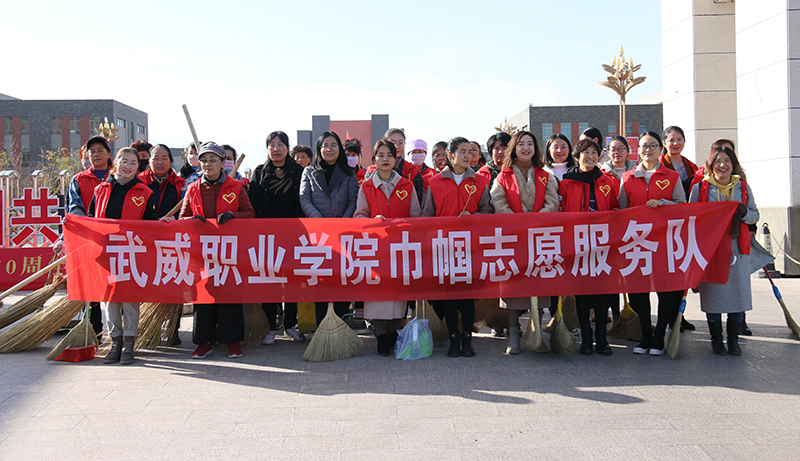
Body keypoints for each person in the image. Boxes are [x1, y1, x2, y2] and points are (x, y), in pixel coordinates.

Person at [179, 142, 255, 359]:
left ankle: (233, 341)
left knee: (230, 294)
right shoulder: (193, 188)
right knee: (203, 297)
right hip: (202, 252)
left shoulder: (235, 186)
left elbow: (250, 214)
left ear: (222, 163)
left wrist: (233, 216)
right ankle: (203, 342)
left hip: (229, 251)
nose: (207, 164)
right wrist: (192, 220)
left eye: (213, 160)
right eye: (203, 160)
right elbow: (182, 218)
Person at [422, 136, 494, 357]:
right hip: (444, 247)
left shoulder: (480, 182)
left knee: (468, 296)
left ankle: (467, 340)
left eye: (469, 151)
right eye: (462, 151)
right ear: (450, 156)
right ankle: (453, 339)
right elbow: (427, 216)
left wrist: (474, 217)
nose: (467, 155)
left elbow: (488, 211)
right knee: (450, 296)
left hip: (470, 247)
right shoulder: (434, 182)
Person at [618, 131, 687, 355]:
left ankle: (659, 339)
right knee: (639, 292)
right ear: (637, 150)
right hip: (637, 243)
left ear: (661, 149)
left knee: (665, 292)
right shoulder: (627, 177)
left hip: (664, 242)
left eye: (653, 146)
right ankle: (645, 337)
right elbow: (621, 210)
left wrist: (664, 203)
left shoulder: (672, 176)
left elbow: (682, 206)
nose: (648, 150)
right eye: (644, 146)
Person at [489, 131, 558, 354]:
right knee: (513, 288)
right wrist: (518, 222)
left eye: (530, 144)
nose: (526, 148)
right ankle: (513, 336)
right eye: (521, 144)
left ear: (535, 149)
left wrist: (536, 221)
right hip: (513, 238)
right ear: (514, 149)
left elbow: (552, 202)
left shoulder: (545, 175)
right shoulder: (503, 176)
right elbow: (498, 201)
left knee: (539, 286)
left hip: (539, 238)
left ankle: (536, 333)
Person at [87, 147, 157, 364]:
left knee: (129, 299)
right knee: (109, 298)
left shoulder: (145, 192)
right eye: (124, 161)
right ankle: (114, 342)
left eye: (133, 163)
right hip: (106, 252)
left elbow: (150, 225)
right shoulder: (101, 189)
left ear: (138, 168)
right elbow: (90, 218)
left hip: (131, 252)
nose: (128, 166)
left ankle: (129, 344)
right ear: (115, 162)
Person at [690, 146, 758, 356]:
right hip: (710, 249)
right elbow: (691, 217)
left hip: (737, 248)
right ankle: (716, 339)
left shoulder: (743, 187)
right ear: (711, 165)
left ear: (733, 164)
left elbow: (755, 214)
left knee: (738, 295)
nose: (722, 165)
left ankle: (734, 339)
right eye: (717, 161)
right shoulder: (700, 188)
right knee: (713, 295)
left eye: (727, 160)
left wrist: (744, 214)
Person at [354, 139, 421, 355]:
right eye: (380, 155)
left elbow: (416, 217)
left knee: (398, 293)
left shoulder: (407, 186)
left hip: (401, 248)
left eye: (389, 155)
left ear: (396, 159)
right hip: (376, 249)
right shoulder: (366, 187)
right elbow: (359, 215)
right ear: (374, 159)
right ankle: (381, 336)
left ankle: (393, 333)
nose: (385, 159)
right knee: (377, 294)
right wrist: (372, 221)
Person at [559, 139, 619, 355]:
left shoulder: (607, 181)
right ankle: (586, 336)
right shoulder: (566, 183)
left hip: (603, 245)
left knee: (602, 292)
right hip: (577, 245)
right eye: (586, 153)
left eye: (595, 152)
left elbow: (615, 208)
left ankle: (601, 336)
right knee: (582, 293)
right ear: (577, 157)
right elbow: (559, 213)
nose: (591, 156)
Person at [248, 131, 306, 344]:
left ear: (287, 148)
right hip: (267, 237)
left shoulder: (298, 171)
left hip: (293, 235)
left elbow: (303, 201)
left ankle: (290, 325)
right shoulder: (260, 172)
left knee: (291, 280)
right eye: (271, 145)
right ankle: (270, 327)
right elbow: (252, 203)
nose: (276, 149)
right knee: (269, 280)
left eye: (280, 144)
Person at [300, 131, 359, 325]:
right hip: (318, 236)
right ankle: (322, 327)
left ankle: (341, 325)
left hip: (343, 234)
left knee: (342, 279)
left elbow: (353, 201)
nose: (329, 149)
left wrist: (342, 223)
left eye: (333, 145)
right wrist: (320, 221)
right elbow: (304, 199)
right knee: (321, 281)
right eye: (325, 145)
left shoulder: (349, 173)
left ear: (339, 149)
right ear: (319, 149)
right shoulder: (309, 171)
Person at [67, 135, 112, 337]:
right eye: (91, 151)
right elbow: (74, 208)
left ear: (109, 154)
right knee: (91, 288)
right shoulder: (78, 180)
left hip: (116, 243)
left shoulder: (119, 177)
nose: (96, 154)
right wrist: (91, 227)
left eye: (100, 150)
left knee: (118, 287)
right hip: (89, 241)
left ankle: (119, 334)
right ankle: (94, 332)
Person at [367, 128, 427, 203]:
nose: (397, 146)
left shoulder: (412, 170)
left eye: (401, 143)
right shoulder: (372, 171)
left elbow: (419, 200)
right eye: (393, 142)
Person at [138, 144, 185, 219]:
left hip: (171, 224)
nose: (160, 162)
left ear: (170, 161)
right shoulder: (139, 181)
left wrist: (172, 218)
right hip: (145, 225)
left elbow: (185, 209)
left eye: (164, 158)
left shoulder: (181, 184)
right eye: (156, 158)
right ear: (149, 161)